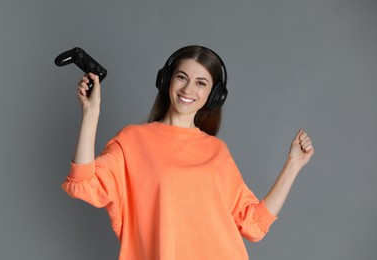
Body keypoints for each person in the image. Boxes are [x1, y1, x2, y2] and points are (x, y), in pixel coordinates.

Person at [61, 45, 314, 260]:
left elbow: (253, 225)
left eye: (201, 83)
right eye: (182, 77)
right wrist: (91, 114)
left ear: (214, 95)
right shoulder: (132, 140)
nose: (188, 89)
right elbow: (82, 184)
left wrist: (293, 164)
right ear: (167, 80)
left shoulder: (217, 151)